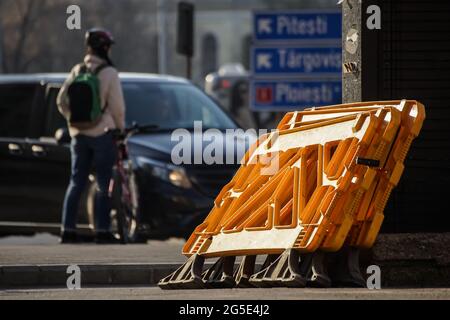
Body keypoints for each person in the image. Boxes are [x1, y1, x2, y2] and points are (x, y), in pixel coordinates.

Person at [57, 28, 126, 244]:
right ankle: (102, 231)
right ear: (105, 48)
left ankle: (67, 230)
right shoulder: (109, 73)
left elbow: (61, 101)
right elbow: (118, 108)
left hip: (78, 134)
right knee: (104, 183)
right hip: (102, 133)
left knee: (76, 181)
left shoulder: (77, 70)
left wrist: (74, 121)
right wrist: (120, 129)